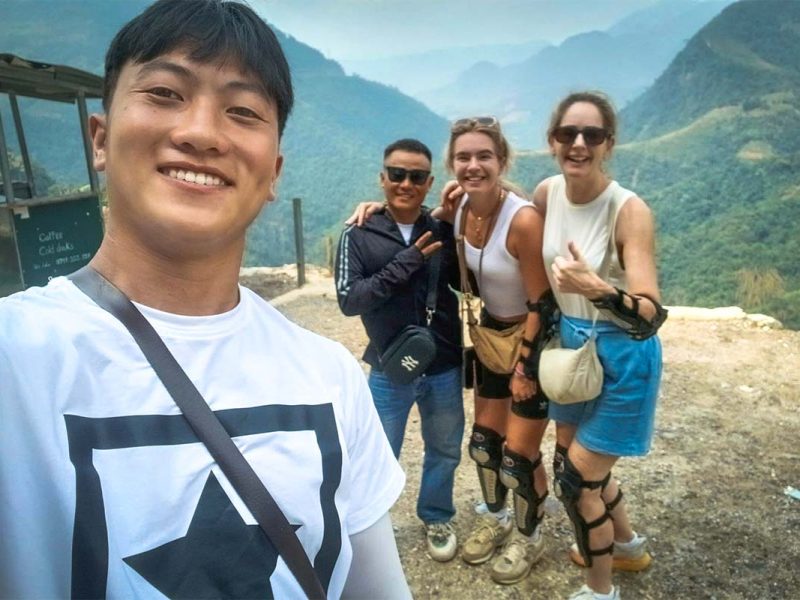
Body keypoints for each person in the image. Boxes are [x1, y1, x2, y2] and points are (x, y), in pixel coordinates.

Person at [0, 1, 411, 598]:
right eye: (165, 93)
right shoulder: (15, 362)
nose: (200, 133)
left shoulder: (331, 378)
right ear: (100, 138)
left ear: (274, 172)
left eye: (242, 111)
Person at [534, 91, 667, 600]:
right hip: (573, 347)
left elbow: (651, 314)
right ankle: (626, 546)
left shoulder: (628, 210)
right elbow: (505, 214)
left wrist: (599, 290)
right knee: (577, 465)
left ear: (608, 144)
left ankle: (600, 589)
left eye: (592, 135)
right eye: (568, 133)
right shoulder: (548, 193)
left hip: (624, 353)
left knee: (576, 480)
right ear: (552, 141)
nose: (579, 144)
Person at [334, 138, 464, 563]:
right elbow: (350, 299)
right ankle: (372, 528)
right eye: (397, 174)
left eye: (416, 176)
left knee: (444, 448)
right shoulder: (359, 233)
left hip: (443, 361)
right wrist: (408, 261)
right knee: (377, 454)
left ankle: (436, 515)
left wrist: (464, 221)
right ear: (382, 177)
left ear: (429, 183)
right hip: (390, 365)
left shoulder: (442, 230)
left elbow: (467, 282)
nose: (405, 183)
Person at [442, 117, 553, 585]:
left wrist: (526, 365)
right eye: (464, 157)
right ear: (452, 164)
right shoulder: (461, 209)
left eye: (484, 156)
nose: (473, 165)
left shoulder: (522, 220)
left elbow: (543, 302)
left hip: (534, 339)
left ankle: (530, 536)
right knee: (484, 445)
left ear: (502, 161)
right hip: (490, 334)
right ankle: (498, 517)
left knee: (517, 457)